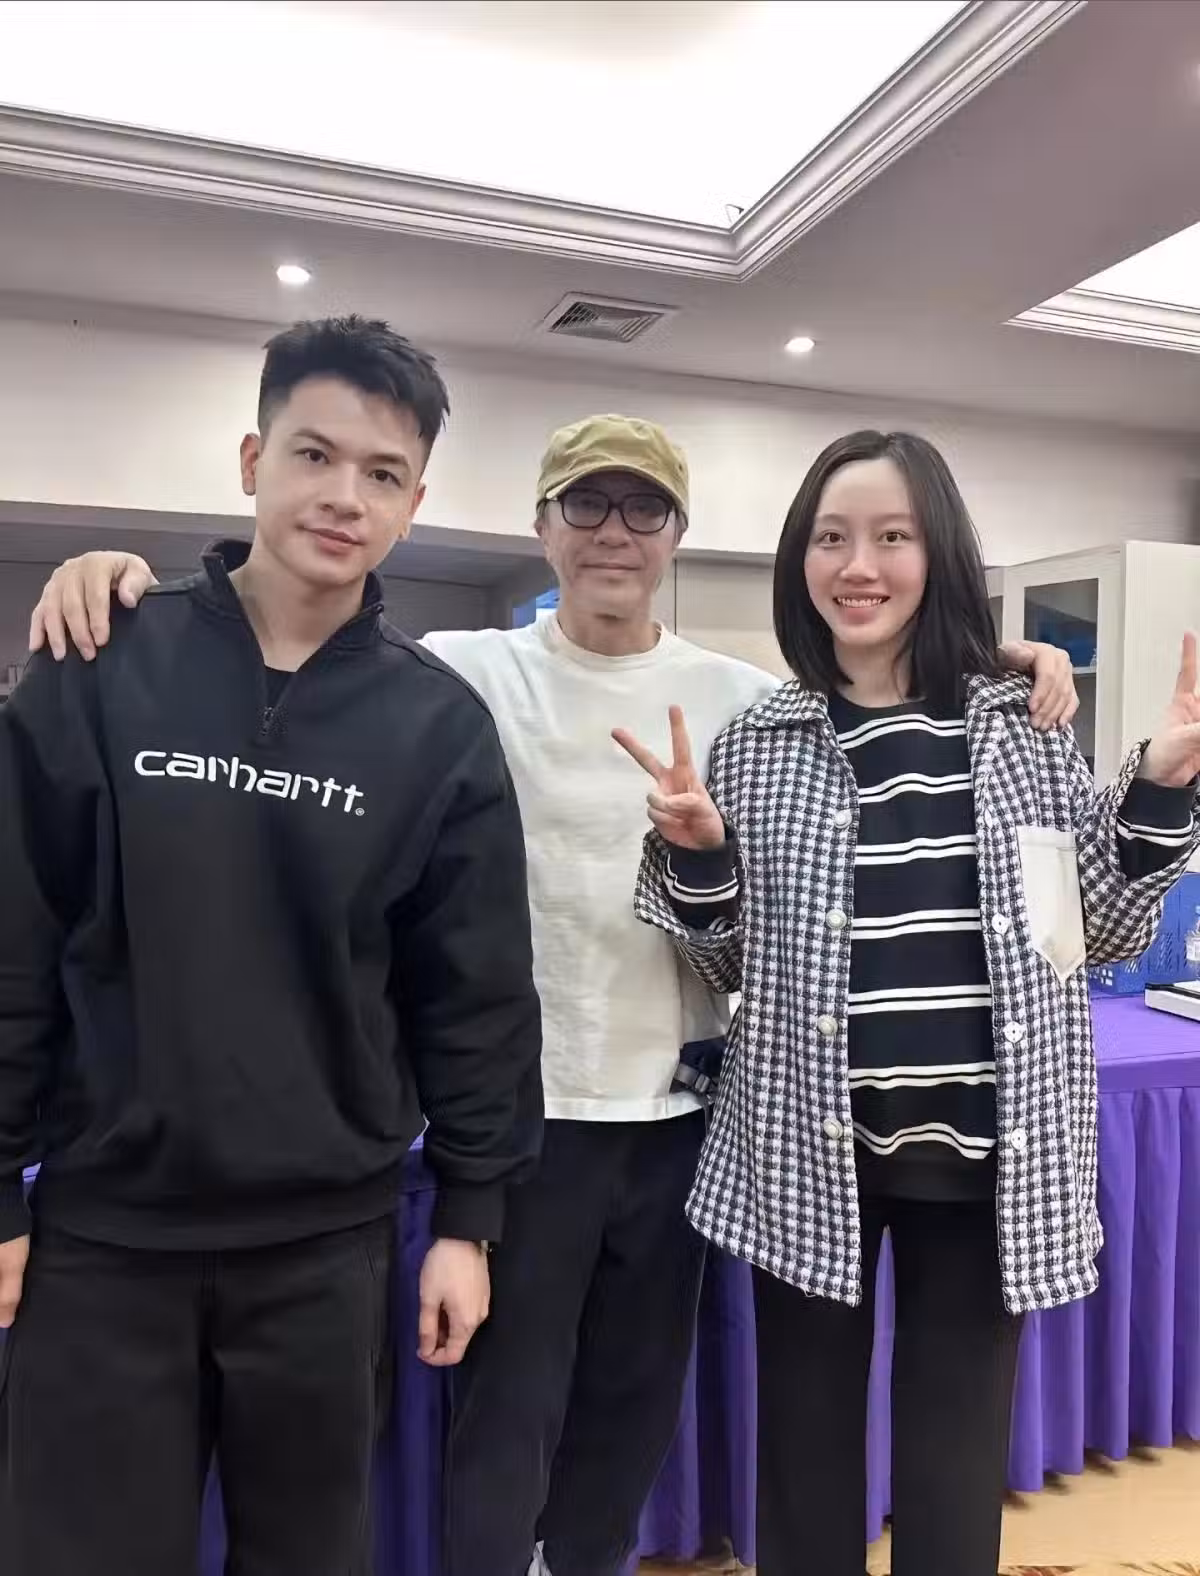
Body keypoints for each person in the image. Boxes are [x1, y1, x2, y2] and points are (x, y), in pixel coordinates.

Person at [26, 417, 1079, 1576]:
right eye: (586, 505)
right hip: (527, 1121)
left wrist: (1004, 658)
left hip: (679, 1115)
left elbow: (878, 707)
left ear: (677, 534)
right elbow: (307, 635)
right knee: (505, 1420)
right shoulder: (461, 670)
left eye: (644, 509)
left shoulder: (748, 706)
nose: (613, 533)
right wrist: (120, 581)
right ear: (541, 526)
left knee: (629, 1418)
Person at [0, 315, 543, 1576]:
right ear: (253, 461)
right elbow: (16, 936)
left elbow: (473, 995)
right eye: (315, 454)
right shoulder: (100, 661)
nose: (346, 495)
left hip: (324, 1252)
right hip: (103, 1235)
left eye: (384, 472)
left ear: (414, 504)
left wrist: (468, 1220)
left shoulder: (439, 728)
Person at [617, 429, 1200, 1576]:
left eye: (893, 536)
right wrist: (700, 858)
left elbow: (1091, 929)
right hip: (806, 1155)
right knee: (804, 1465)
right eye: (831, 537)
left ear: (938, 555)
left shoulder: (1023, 728)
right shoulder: (759, 742)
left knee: (951, 1470)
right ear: (799, 559)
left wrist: (1161, 785)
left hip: (988, 1160)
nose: (859, 564)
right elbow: (725, 963)